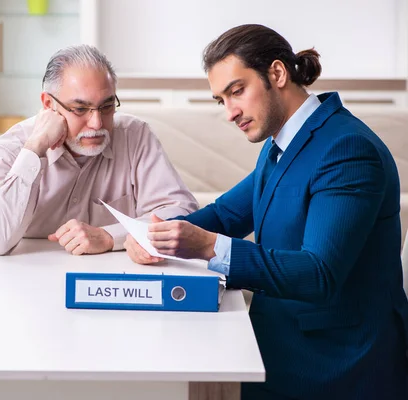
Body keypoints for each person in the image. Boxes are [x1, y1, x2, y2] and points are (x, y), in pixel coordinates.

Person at [124, 24, 408, 399]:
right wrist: (152, 234)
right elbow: (226, 215)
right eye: (220, 100)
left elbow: (319, 273)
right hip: (280, 344)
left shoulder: (347, 149)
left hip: (335, 364)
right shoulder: (282, 144)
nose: (230, 112)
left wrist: (210, 248)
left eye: (237, 91)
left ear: (277, 73)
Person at [0, 44, 197, 256]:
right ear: (48, 104)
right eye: (80, 109)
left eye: (107, 106)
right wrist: (35, 148)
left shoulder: (134, 136)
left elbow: (180, 214)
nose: (97, 123)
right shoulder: (9, 149)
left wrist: (109, 236)